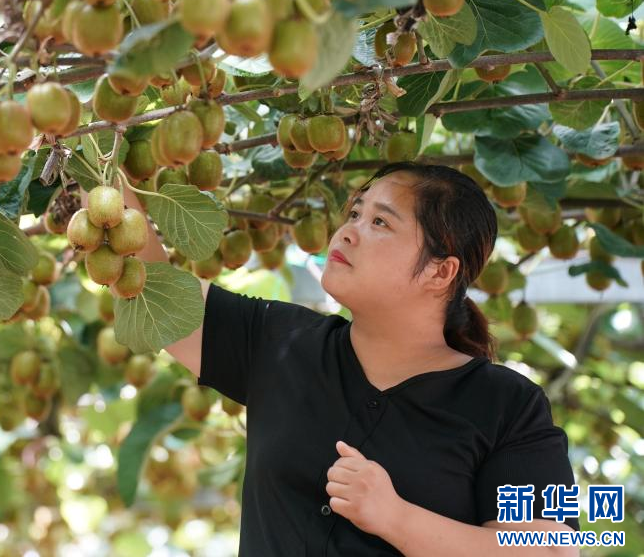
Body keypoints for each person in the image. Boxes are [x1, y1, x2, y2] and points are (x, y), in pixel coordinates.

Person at [122, 160, 580, 557]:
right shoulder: (276, 340)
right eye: (355, 213)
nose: (347, 231)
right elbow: (151, 285)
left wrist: (396, 518)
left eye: (380, 222)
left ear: (441, 271)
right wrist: (92, 158)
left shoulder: (508, 406)